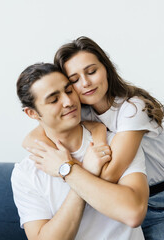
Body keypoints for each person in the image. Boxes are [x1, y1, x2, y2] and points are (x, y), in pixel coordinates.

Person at [23, 37, 164, 240]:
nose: (86, 83)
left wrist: (64, 167)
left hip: (156, 203)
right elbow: (31, 139)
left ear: (106, 68)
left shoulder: (133, 109)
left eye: (91, 72)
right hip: (114, 201)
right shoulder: (82, 111)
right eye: (74, 80)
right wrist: (98, 132)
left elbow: (109, 175)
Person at [11, 63, 149, 240]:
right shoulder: (26, 173)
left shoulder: (116, 142)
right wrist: (78, 171)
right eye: (54, 100)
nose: (69, 102)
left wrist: (68, 169)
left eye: (69, 91)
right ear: (32, 113)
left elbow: (133, 212)